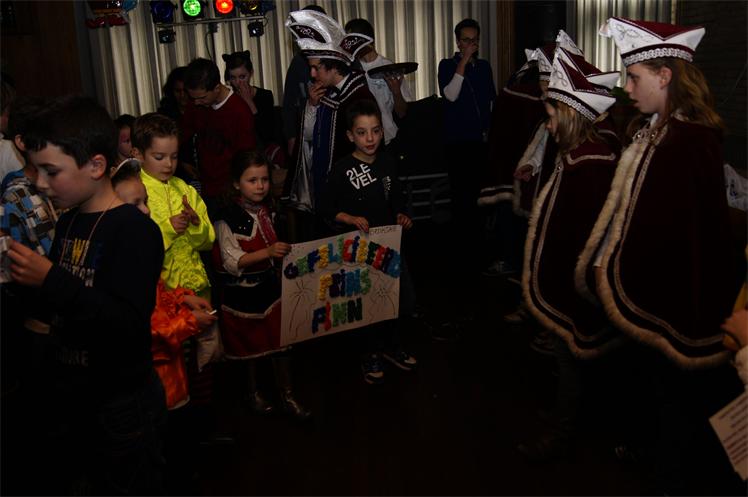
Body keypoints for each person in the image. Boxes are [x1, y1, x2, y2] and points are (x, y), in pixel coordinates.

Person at [580, 17, 743, 494]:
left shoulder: (691, 141)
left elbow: (692, 233)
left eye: (634, 78)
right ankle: (649, 449)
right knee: (651, 386)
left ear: (665, 76)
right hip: (648, 288)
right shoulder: (651, 130)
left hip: (678, 295)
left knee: (678, 400)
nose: (627, 88)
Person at [7, 95, 166, 495]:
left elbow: (126, 324)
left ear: (96, 166)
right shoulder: (69, 222)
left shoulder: (133, 230)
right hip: (78, 393)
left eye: (51, 171)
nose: (40, 183)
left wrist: (50, 280)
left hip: (122, 401)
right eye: (36, 170)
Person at [516, 47, 621, 462]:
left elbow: (587, 236)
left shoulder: (590, 165)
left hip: (576, 288)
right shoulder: (575, 156)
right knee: (569, 359)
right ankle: (569, 414)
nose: (547, 122)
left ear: (571, 115)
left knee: (573, 358)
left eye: (551, 114)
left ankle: (563, 431)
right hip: (567, 283)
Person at [319, 99, 417, 384]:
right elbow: (324, 209)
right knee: (366, 304)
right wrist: (349, 218)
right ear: (350, 136)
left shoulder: (388, 162)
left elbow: (396, 199)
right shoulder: (341, 169)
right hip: (359, 250)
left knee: (398, 299)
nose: (370, 138)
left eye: (375, 131)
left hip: (390, 246)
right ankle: (369, 353)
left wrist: (402, 215)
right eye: (362, 133)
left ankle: (392, 346)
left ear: (382, 132)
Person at [213, 151, 311, 420]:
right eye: (252, 180)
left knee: (282, 341)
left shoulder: (269, 210)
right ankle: (252, 394)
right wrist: (267, 253)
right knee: (249, 346)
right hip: (241, 295)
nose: (260, 186)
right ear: (236, 183)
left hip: (271, 289)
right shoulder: (225, 218)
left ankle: (287, 395)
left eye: (264, 180)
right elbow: (232, 261)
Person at [284, 9, 378, 240]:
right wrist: (312, 106)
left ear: (334, 66)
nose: (312, 74)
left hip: (350, 200)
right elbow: (309, 139)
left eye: (316, 67)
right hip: (327, 197)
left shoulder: (359, 97)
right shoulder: (325, 94)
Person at [132, 112, 215, 298]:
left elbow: (208, 242)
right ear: (138, 154)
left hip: (198, 287)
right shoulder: (134, 192)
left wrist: (195, 224)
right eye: (159, 157)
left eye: (174, 156)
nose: (169, 164)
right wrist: (168, 228)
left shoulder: (185, 189)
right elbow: (134, 248)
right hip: (162, 296)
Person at [437, 18, 496, 264]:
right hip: (457, 142)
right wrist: (463, 61)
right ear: (458, 42)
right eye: (466, 40)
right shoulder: (446, 65)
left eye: (475, 40)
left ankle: (480, 246)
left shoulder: (484, 67)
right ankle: (461, 249)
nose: (471, 44)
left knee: (479, 196)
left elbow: (490, 102)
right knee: (461, 196)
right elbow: (450, 95)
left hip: (479, 141)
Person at [181, 57, 256, 213]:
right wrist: (183, 161)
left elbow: (246, 158)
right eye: (193, 98)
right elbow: (184, 133)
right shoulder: (195, 104)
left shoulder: (239, 111)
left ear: (216, 88)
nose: (196, 103)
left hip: (231, 192)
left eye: (202, 98)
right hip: (206, 187)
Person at [344, 18, 413, 147]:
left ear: (369, 40)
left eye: (353, 41)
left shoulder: (388, 67)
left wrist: (396, 92)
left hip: (388, 139)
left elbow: (403, 112)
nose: (350, 46)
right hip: (359, 142)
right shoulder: (349, 70)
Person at [281, 4, 326, 157]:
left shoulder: (340, 58)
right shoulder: (298, 62)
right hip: (307, 135)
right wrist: (291, 137)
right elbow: (289, 104)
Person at [223, 50, 277, 150]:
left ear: (251, 73)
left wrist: (249, 102)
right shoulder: (229, 98)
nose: (238, 82)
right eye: (233, 78)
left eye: (242, 77)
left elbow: (267, 134)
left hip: (259, 152)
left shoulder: (265, 96)